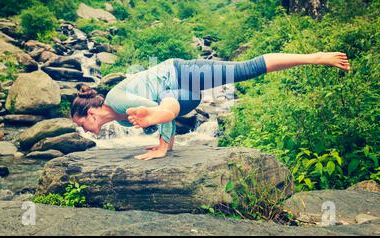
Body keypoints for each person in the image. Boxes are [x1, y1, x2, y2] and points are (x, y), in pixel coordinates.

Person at [71, 52, 350, 161]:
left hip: (184, 73)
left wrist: (163, 143)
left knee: (246, 69)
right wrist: (165, 144)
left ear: (91, 112)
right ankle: (163, 115)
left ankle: (316, 57)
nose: (83, 129)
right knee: (167, 103)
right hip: (184, 97)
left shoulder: (116, 100)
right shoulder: (119, 121)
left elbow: (153, 107)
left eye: (81, 123)